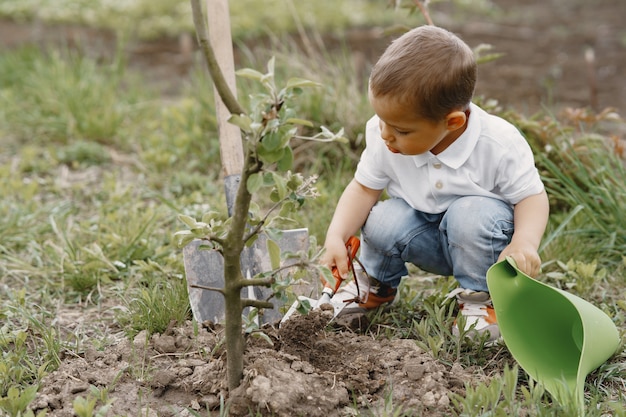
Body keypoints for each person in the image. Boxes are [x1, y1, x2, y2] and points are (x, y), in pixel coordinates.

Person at [321, 25, 549, 341]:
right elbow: (363, 188)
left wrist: (524, 242)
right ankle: (374, 283)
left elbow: (531, 197)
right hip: (423, 236)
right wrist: (337, 234)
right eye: (382, 121)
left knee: (469, 213)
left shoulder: (498, 143)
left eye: (400, 129)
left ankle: (482, 299)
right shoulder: (384, 134)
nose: (385, 134)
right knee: (384, 219)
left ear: (452, 122)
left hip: (480, 240)